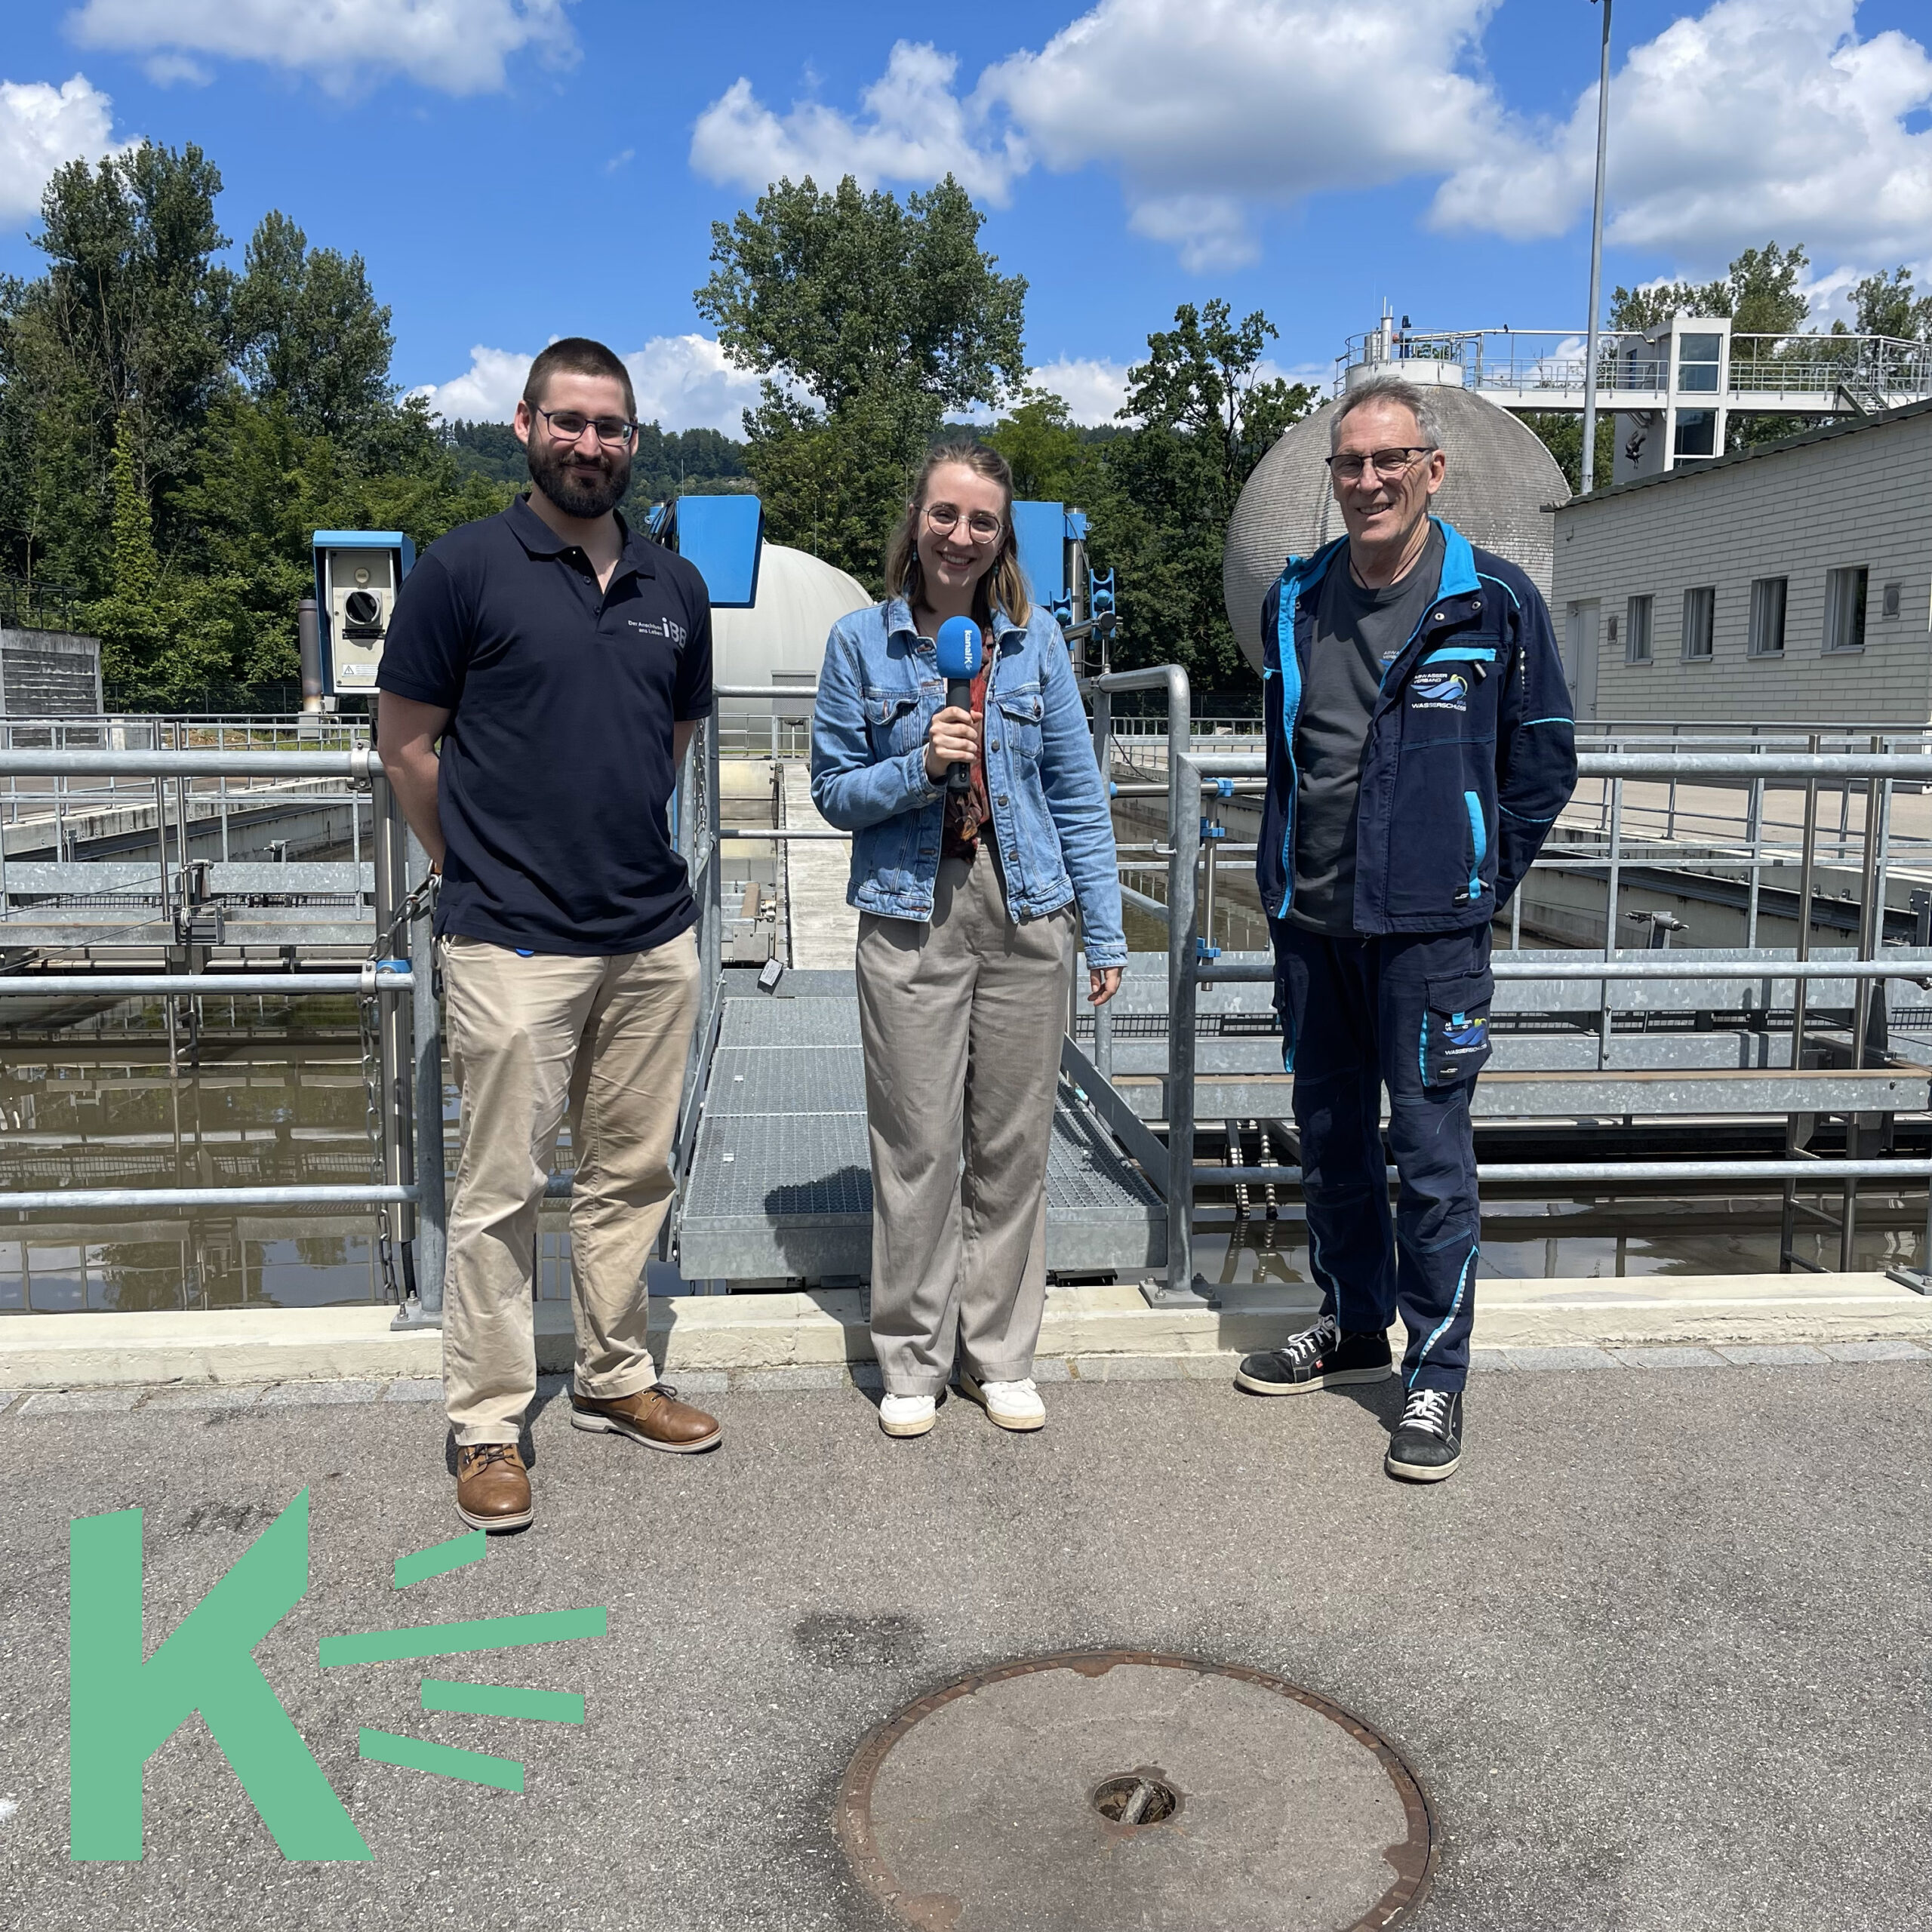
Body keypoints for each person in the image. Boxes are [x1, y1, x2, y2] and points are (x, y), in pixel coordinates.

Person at [377, 337, 722, 1534]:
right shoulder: (465, 570)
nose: (590, 445)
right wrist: (462, 864)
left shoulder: (674, 589)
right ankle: (486, 1422)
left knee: (632, 1173)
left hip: (648, 935)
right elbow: (406, 744)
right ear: (524, 425)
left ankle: (617, 1374)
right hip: (511, 939)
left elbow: (668, 745)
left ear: (636, 439)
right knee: (501, 1188)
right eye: (568, 422)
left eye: (611, 426)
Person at [1235, 373, 1577, 1483]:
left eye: (1391, 461)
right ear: (1330, 478)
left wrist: (1475, 872)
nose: (1370, 480)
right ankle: (1353, 1326)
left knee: (1431, 1159)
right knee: (1331, 1140)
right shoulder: (1298, 597)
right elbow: (1299, 755)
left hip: (1432, 935)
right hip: (1313, 923)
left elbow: (1544, 761)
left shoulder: (1496, 602)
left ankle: (1435, 1376)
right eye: (1351, 463)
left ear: (1433, 470)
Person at [811, 440, 1126, 1439]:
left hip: (1027, 908)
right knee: (917, 1144)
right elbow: (831, 792)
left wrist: (1104, 926)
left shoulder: (1035, 648)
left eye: (982, 521)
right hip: (911, 910)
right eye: (945, 514)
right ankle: (912, 1356)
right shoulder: (860, 644)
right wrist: (916, 762)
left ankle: (1000, 1354)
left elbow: (1077, 794)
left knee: (1012, 1143)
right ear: (917, 521)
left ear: (1002, 539)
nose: (960, 535)